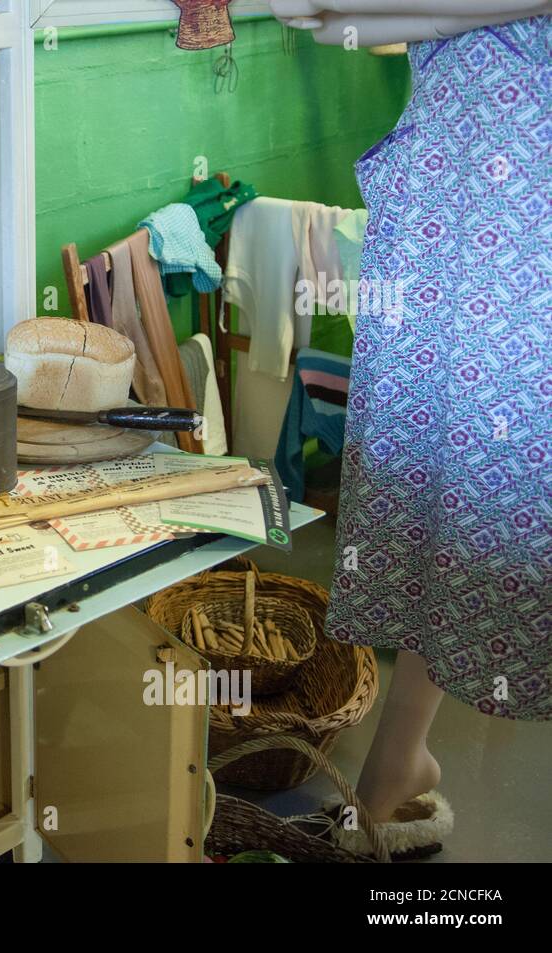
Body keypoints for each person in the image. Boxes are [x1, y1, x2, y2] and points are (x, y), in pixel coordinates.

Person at [270, 1, 550, 856]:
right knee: (433, 483)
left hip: (522, 247)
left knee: (498, 498)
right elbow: (330, 24)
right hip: (457, 235)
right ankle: (399, 757)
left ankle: (398, 764)